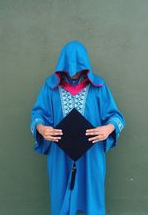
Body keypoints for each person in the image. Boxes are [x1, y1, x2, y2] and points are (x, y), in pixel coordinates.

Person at [30, 40, 125, 215]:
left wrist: (109, 128)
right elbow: (37, 115)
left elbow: (116, 116)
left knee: (93, 201)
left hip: (91, 154)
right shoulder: (50, 87)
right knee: (60, 202)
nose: (73, 73)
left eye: (78, 68)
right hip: (59, 154)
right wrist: (42, 128)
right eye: (68, 68)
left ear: (85, 66)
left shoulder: (99, 88)